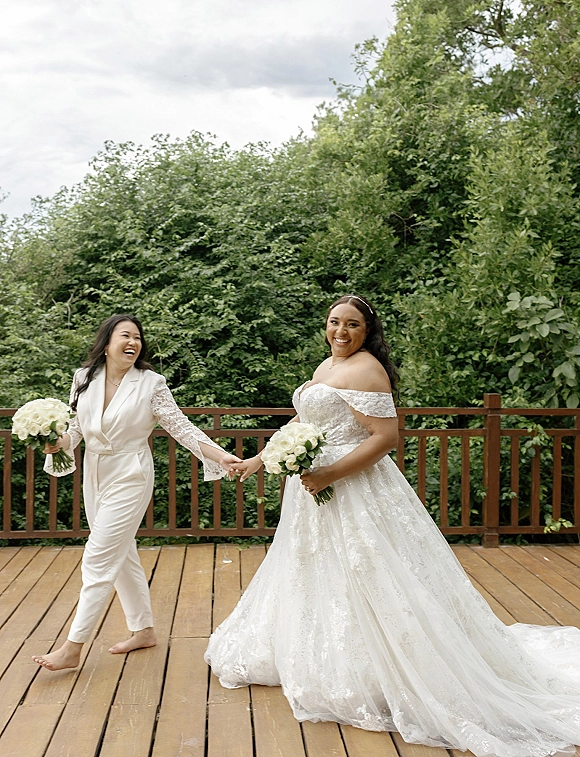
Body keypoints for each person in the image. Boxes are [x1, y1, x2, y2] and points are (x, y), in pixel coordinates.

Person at [205, 295, 580, 757]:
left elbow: (386, 438)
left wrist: (328, 474)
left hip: (354, 490)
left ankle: (380, 670)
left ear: (368, 331)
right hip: (311, 494)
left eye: (352, 325)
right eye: (334, 322)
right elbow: (302, 423)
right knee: (316, 572)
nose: (340, 332)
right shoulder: (326, 366)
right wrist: (260, 461)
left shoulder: (367, 370)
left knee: (370, 573)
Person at [33, 314, 240, 671]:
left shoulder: (151, 383)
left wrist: (221, 455)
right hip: (95, 475)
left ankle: (72, 646)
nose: (133, 342)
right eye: (125, 335)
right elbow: (76, 428)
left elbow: (181, 428)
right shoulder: (84, 378)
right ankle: (143, 630)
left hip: (131, 474)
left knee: (98, 558)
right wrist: (58, 442)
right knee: (122, 553)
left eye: (138, 338)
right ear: (107, 342)